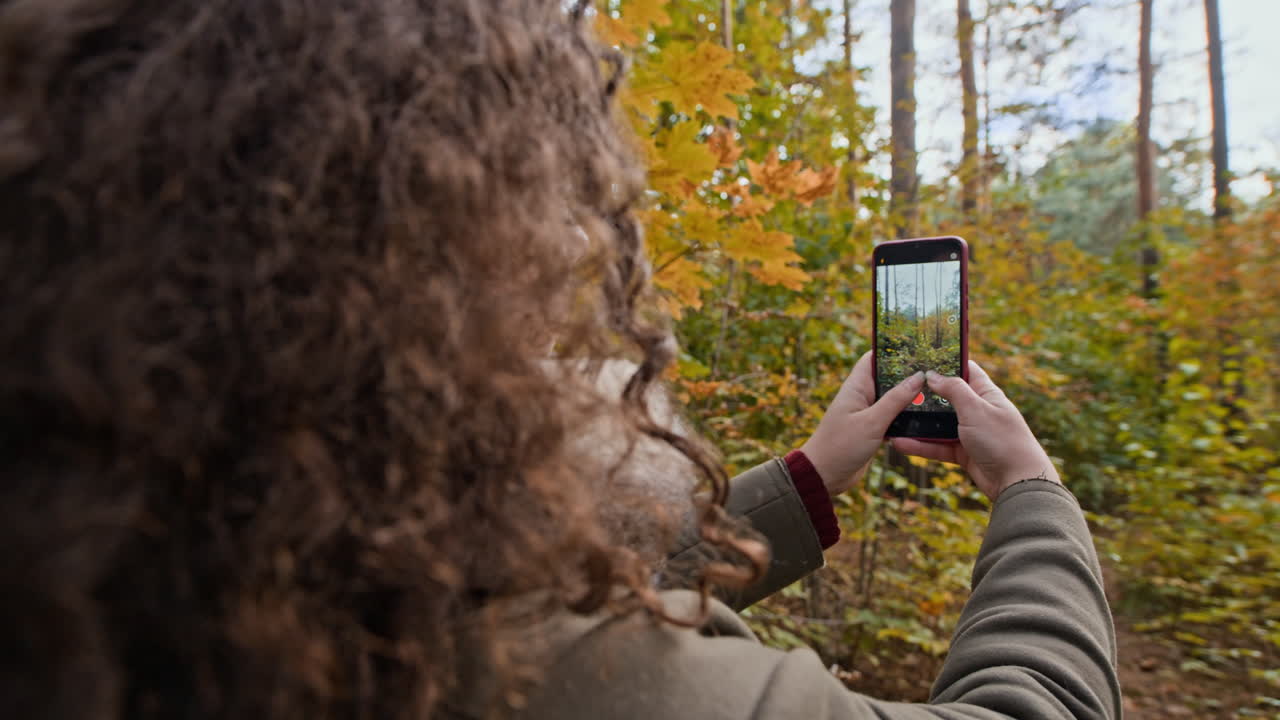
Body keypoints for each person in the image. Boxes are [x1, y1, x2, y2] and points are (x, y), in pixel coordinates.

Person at [0, 0, 1119, 719]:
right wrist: (1029, 494)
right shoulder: (488, 660)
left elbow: (578, 568)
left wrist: (811, 479)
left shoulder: (143, 556)